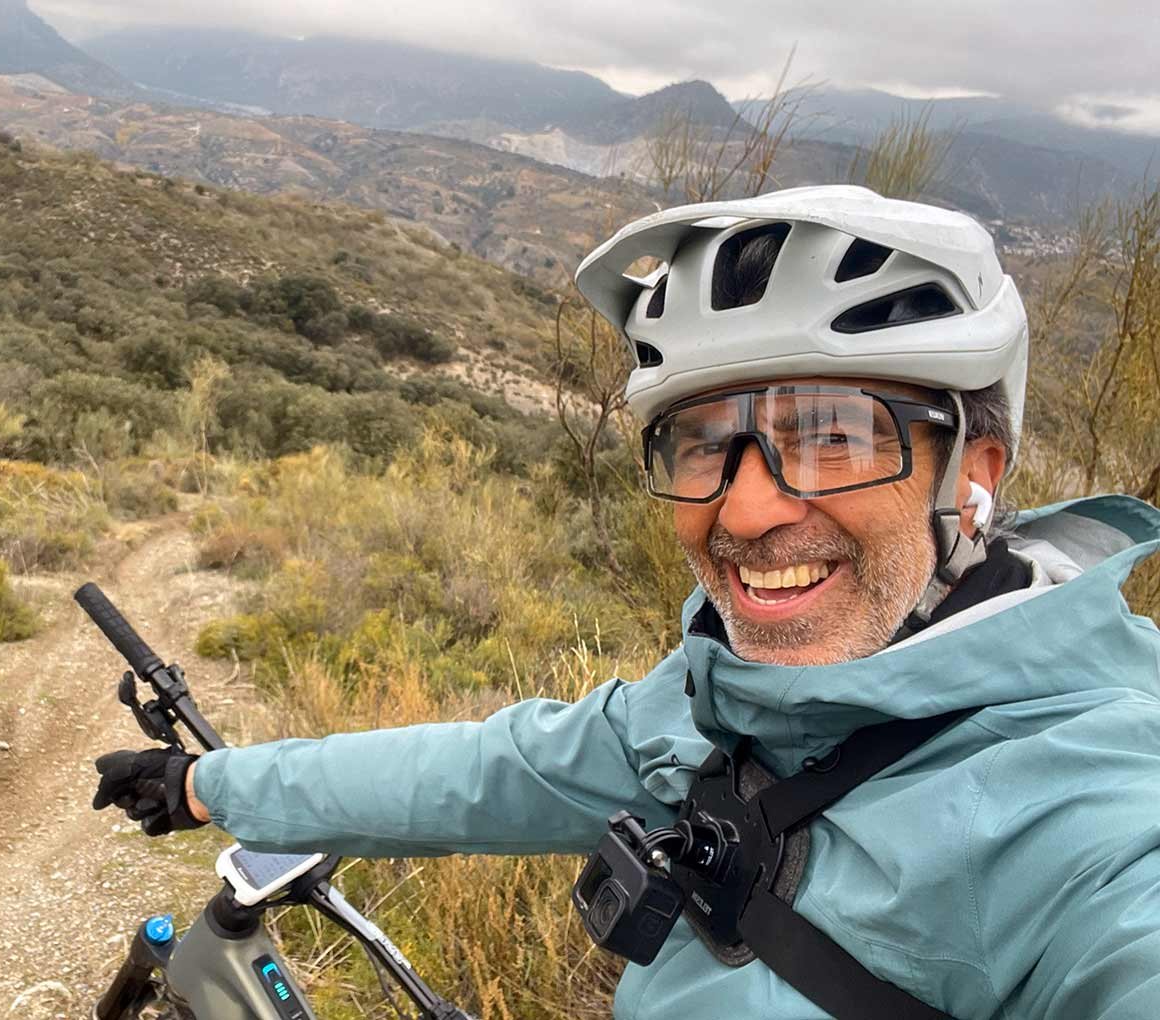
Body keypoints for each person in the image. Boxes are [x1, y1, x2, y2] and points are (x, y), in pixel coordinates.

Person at [93, 186, 1160, 1019]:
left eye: (832, 434)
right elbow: (484, 773)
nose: (746, 511)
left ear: (972, 477)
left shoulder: (1097, 809)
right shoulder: (714, 709)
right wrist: (207, 786)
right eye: (702, 443)